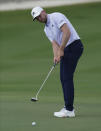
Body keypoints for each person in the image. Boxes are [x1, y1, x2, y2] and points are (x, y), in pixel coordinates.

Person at [31, 6, 84, 118]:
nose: (39, 19)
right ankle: (68, 107)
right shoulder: (46, 29)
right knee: (64, 78)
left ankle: (69, 109)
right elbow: (54, 43)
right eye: (37, 18)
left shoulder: (56, 16)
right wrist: (56, 56)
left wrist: (61, 49)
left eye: (39, 16)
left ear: (44, 12)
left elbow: (67, 32)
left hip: (74, 46)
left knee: (66, 77)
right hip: (67, 49)